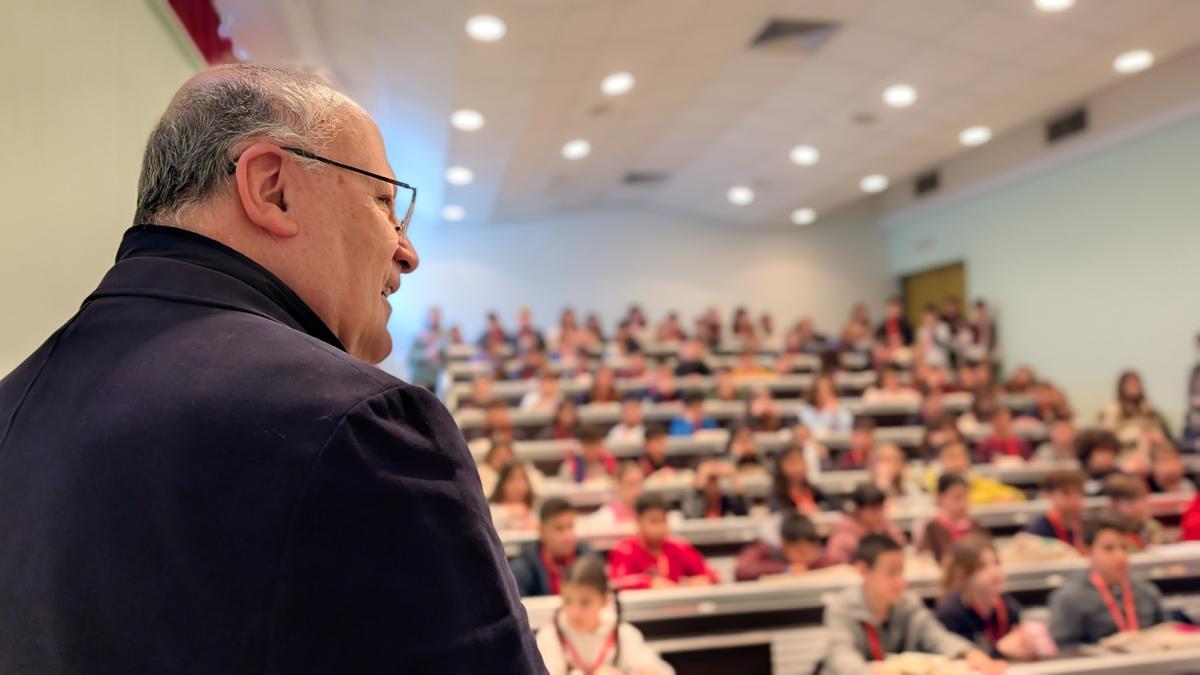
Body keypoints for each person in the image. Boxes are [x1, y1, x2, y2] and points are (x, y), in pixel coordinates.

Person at [0, 65, 541, 671]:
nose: (406, 252)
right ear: (271, 187)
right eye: (385, 203)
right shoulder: (363, 424)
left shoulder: (10, 406)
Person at [821, 535, 1003, 675]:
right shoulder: (841, 608)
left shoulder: (908, 603)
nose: (901, 581)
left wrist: (968, 652)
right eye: (891, 572)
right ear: (863, 570)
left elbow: (936, 636)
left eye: (901, 571)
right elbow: (840, 656)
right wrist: (873, 671)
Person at [535, 555, 675, 675]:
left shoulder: (622, 634)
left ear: (604, 600)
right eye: (567, 601)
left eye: (585, 603)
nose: (574, 612)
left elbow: (662, 670)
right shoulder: (550, 635)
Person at [1048, 516, 1166, 649]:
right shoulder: (1069, 598)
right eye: (1108, 549)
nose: (1120, 556)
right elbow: (1063, 649)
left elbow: (1166, 635)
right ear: (1087, 551)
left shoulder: (1147, 591)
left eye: (1124, 548)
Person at [937, 535, 1040, 660]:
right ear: (965, 575)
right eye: (982, 567)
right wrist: (1000, 650)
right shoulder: (950, 614)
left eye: (996, 563)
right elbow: (958, 660)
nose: (994, 572)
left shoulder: (1010, 608)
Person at [609, 494, 720, 590]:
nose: (660, 527)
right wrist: (649, 583)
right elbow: (617, 583)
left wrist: (696, 582)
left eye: (664, 520)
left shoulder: (678, 547)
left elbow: (712, 575)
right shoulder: (624, 550)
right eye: (654, 521)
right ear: (638, 521)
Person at [510, 499, 593, 598]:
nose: (568, 536)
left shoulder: (589, 560)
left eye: (571, 527)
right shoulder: (522, 569)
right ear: (542, 531)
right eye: (559, 528)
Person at [825, 484, 908, 566]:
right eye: (874, 509)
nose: (879, 514)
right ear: (858, 510)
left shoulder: (882, 527)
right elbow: (835, 567)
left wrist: (887, 527)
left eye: (881, 508)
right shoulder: (843, 535)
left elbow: (900, 548)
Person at [735, 512, 828, 581]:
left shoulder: (817, 558)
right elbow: (742, 570)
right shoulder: (765, 549)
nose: (805, 557)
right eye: (800, 552)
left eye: (811, 551)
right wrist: (785, 569)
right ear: (784, 545)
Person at [924, 442, 1025, 505]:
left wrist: (1010, 498)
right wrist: (992, 501)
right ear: (940, 460)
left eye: (962, 455)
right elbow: (956, 500)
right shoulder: (933, 482)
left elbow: (1017, 494)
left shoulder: (974, 478)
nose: (959, 461)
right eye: (952, 456)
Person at [918, 474, 987, 563]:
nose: (963, 504)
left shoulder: (974, 524)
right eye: (957, 498)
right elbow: (925, 559)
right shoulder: (933, 527)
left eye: (966, 497)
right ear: (939, 497)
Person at [1100, 370, 1170, 453]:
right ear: (1122, 387)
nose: (1134, 386)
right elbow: (1109, 436)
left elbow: (1159, 428)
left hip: (1151, 452)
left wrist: (1155, 436)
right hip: (1125, 452)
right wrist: (1137, 434)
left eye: (1136, 383)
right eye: (1130, 383)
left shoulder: (1148, 409)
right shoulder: (1114, 409)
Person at [1022, 470, 1087, 553]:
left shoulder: (1084, 524)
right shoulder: (1038, 529)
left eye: (1079, 492)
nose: (1074, 499)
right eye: (1066, 493)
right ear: (1049, 494)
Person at [1101, 474, 1166, 550]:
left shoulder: (1152, 527)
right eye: (1131, 502)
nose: (1139, 506)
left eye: (1141, 499)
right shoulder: (1106, 533)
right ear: (1114, 504)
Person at [767, 444, 828, 514]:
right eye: (792, 462)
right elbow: (777, 513)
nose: (798, 467)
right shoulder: (776, 496)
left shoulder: (815, 492)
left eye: (800, 460)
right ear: (780, 466)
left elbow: (831, 507)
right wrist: (798, 512)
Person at [584, 462, 645, 529]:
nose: (637, 490)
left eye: (639, 483)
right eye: (630, 484)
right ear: (618, 485)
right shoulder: (606, 515)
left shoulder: (648, 512)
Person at [681, 461, 749, 519]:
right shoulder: (697, 501)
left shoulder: (727, 501)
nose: (713, 485)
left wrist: (734, 476)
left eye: (715, 479)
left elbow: (743, 515)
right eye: (710, 480)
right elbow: (690, 516)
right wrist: (700, 482)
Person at [489, 462, 537, 531]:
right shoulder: (492, 509)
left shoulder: (534, 508)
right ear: (502, 483)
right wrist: (509, 512)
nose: (518, 485)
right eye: (512, 479)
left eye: (522, 479)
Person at [407, 306, 444, 390]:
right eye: (433, 317)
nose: (435, 320)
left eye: (437, 317)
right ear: (427, 317)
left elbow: (445, 356)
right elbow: (411, 356)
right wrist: (426, 354)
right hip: (420, 379)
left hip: (435, 379)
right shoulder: (418, 335)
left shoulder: (443, 335)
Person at [1076, 428, 1121, 494]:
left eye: (1112, 453)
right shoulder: (1075, 477)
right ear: (1088, 453)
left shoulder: (1120, 477)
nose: (1108, 457)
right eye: (1103, 451)